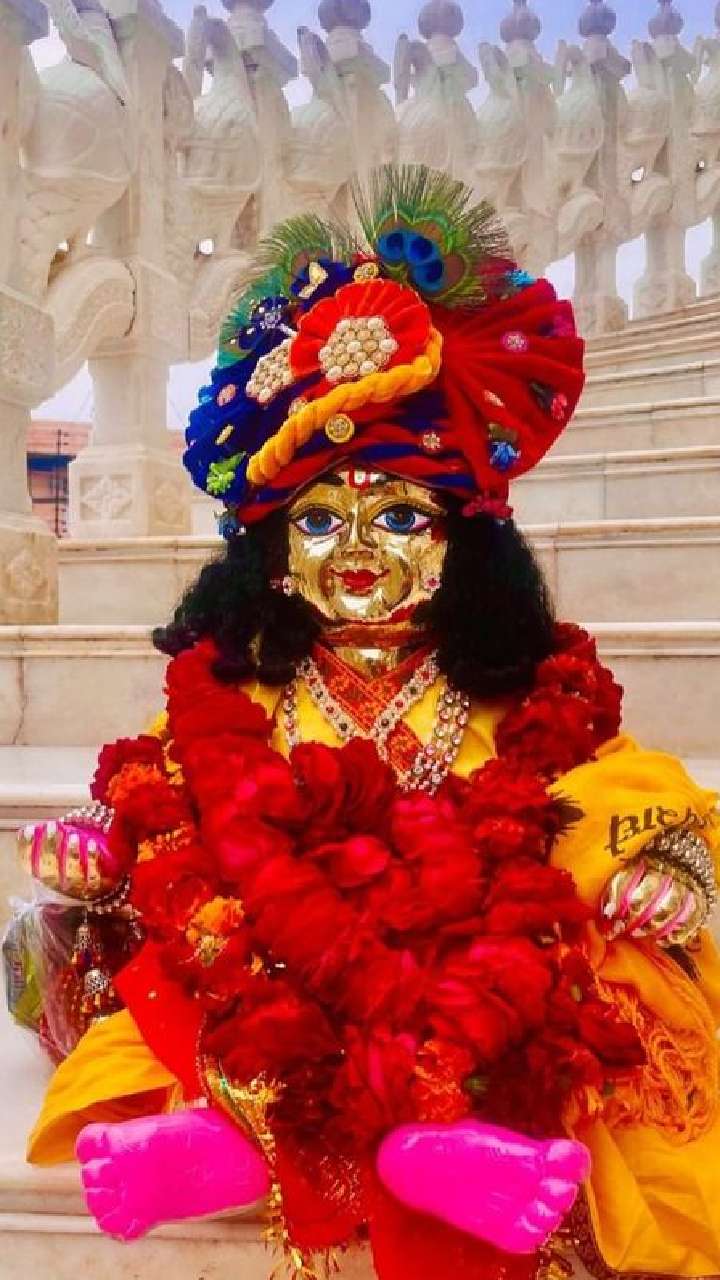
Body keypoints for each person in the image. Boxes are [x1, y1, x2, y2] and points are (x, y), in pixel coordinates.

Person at [10, 166, 720, 1280]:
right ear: (271, 557)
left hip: (463, 964)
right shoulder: (238, 689)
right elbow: (163, 793)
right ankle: (289, 1141)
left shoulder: (520, 685)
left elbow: (617, 784)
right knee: (164, 938)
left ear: (463, 547)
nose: (355, 549)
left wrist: (671, 862)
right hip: (280, 954)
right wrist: (99, 842)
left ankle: (366, 1142)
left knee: (585, 947)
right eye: (318, 520)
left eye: (398, 516)